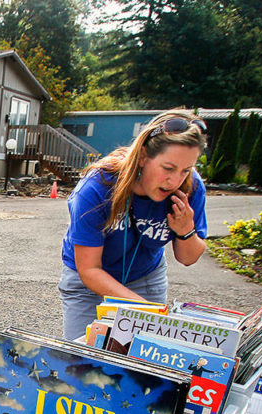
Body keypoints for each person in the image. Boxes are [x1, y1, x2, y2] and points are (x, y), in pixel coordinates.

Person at [59, 110, 208, 341]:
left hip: (145, 276)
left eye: (186, 170)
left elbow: (188, 258)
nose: (175, 180)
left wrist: (186, 230)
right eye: (168, 168)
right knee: (84, 364)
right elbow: (89, 270)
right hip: (88, 281)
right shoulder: (97, 187)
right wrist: (146, 312)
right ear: (143, 156)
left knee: (142, 360)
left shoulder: (191, 187)